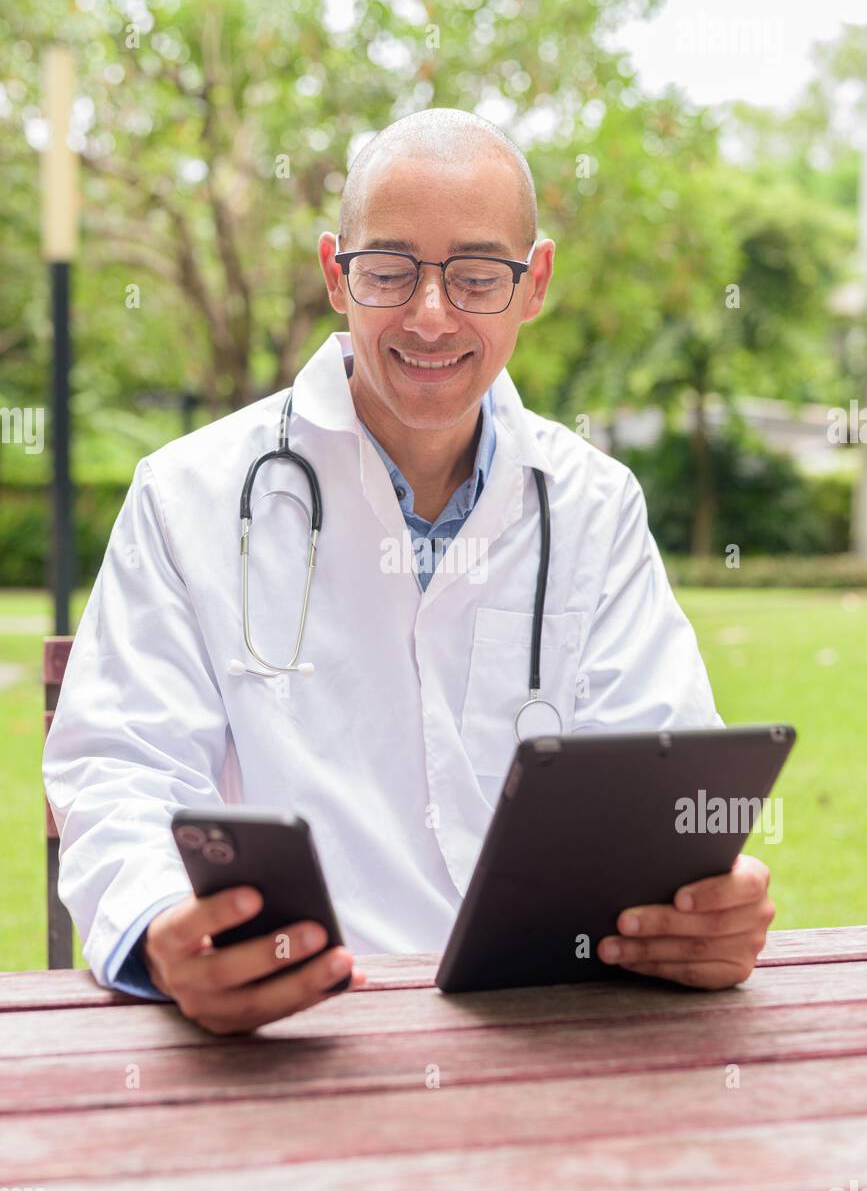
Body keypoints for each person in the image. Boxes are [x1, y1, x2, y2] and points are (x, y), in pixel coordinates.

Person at [42, 108, 775, 1036]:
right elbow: (118, 768)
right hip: (294, 1030)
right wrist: (161, 928)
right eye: (389, 271)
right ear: (334, 274)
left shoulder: (593, 505)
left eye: (476, 276)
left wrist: (703, 906)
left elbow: (665, 778)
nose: (431, 317)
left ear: (533, 281)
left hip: (546, 1027)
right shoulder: (184, 495)